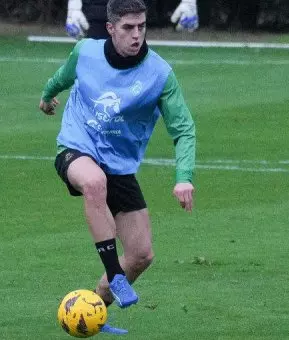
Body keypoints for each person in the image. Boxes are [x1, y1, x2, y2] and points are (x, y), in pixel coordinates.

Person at [43, 0, 196, 334]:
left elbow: (184, 128)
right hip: (76, 149)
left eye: (141, 26)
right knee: (94, 182)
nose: (136, 35)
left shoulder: (159, 74)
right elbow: (61, 78)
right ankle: (114, 274)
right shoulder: (85, 52)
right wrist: (46, 96)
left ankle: (94, 309)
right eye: (128, 27)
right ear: (110, 28)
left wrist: (183, 177)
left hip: (121, 167)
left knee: (141, 254)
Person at [66, 0, 199, 39]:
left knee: (132, 70)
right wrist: (73, 7)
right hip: (98, 9)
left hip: (133, 7)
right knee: (94, 72)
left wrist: (189, 2)